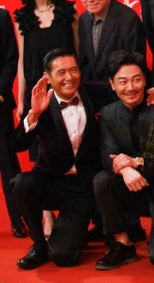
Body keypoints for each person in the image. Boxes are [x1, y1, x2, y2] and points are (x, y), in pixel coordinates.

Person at [12, 49, 114, 269]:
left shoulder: (98, 93)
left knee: (63, 256)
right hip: (49, 181)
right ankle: (39, 244)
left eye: (74, 70)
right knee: (22, 183)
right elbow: (19, 145)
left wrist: (151, 94)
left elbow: (125, 104)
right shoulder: (36, 99)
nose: (69, 77)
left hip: (82, 188)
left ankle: (68, 232)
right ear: (47, 77)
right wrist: (34, 114)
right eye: (61, 72)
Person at [93, 50, 154, 270]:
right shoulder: (109, 113)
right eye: (123, 81)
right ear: (112, 84)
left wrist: (137, 163)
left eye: (136, 80)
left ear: (145, 80)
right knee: (102, 179)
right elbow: (108, 156)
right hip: (132, 188)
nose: (130, 87)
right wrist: (125, 170)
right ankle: (122, 243)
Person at [14, 0, 77, 121]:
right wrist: (21, 100)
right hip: (36, 93)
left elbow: (79, 52)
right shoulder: (22, 18)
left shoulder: (68, 11)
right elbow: (22, 61)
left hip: (68, 88)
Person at [76, 0, 146, 85]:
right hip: (94, 91)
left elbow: (135, 66)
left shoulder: (129, 20)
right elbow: (85, 62)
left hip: (122, 91)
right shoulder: (84, 19)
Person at [0, 8, 26, 238]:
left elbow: (11, 57)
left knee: (8, 163)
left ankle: (19, 217)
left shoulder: (1, 16)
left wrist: (1, 91)